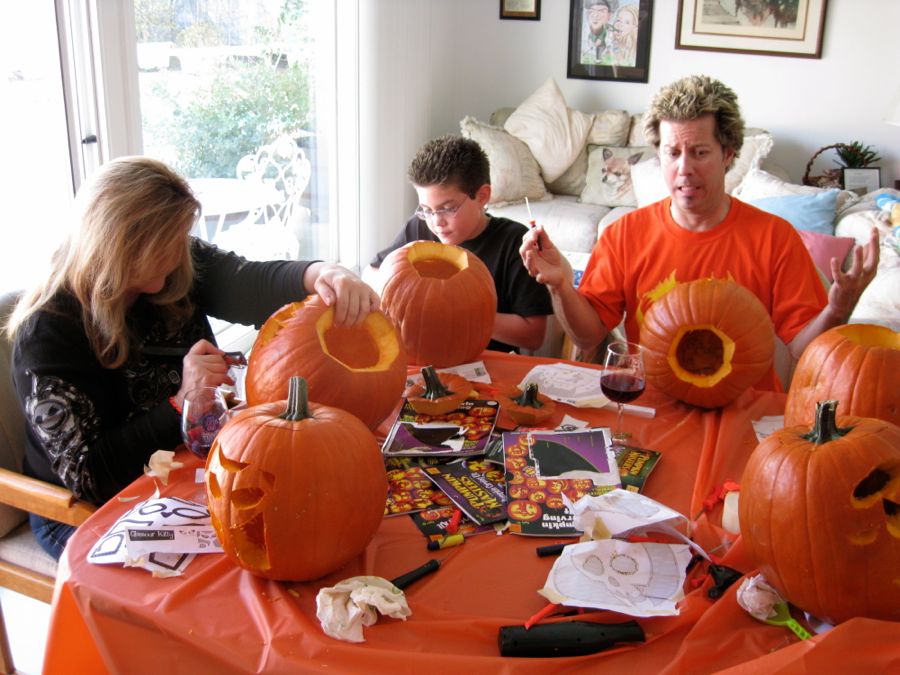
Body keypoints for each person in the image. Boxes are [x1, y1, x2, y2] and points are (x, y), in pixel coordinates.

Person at [6, 156, 378, 559]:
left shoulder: (175, 260)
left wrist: (324, 273)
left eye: (181, 238)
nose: (177, 254)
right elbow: (92, 474)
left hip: (187, 466)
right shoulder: (48, 332)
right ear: (117, 246)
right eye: (164, 245)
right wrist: (181, 402)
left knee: (298, 526)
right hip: (90, 508)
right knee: (230, 573)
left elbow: (249, 283)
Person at [520, 74, 879, 391]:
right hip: (652, 404)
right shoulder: (624, 234)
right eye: (673, 152)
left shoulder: (775, 238)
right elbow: (589, 334)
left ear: (728, 154)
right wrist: (560, 285)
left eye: (700, 152)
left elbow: (803, 348)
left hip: (744, 410)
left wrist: (836, 309)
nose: (684, 169)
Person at [364, 135, 552, 353]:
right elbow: (371, 271)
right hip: (423, 357)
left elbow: (533, 334)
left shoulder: (514, 242)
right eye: (426, 209)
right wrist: (401, 297)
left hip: (486, 362)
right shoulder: (419, 228)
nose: (436, 222)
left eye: (447, 208)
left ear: (482, 196)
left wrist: (457, 314)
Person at [581, 0, 618, 65]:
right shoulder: (584, 37)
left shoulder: (607, 32)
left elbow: (601, 38)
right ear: (587, 14)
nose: (595, 15)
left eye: (601, 11)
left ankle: (598, 59)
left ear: (609, 15)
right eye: (592, 10)